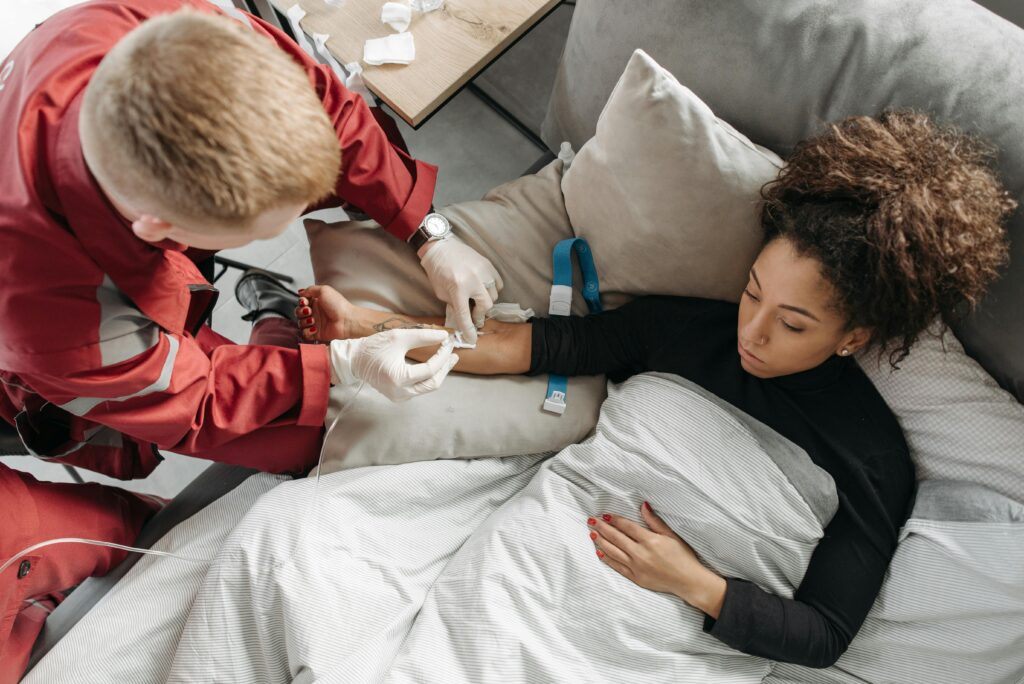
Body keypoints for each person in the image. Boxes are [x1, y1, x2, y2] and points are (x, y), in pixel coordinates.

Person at [296, 111, 1014, 667]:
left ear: (853, 339)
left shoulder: (875, 456)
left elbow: (827, 634)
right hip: (540, 554)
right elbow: (533, 345)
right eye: (752, 293)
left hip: (647, 628)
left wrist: (694, 583)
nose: (753, 333)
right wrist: (373, 324)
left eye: (793, 324)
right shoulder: (686, 330)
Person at [0, 1, 496, 676]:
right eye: (266, 231)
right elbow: (195, 397)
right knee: (309, 440)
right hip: (96, 364)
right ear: (162, 232)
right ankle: (273, 319)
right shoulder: (58, 323)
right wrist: (343, 366)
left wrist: (428, 233)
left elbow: (328, 113)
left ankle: (270, 319)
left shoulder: (183, 36)